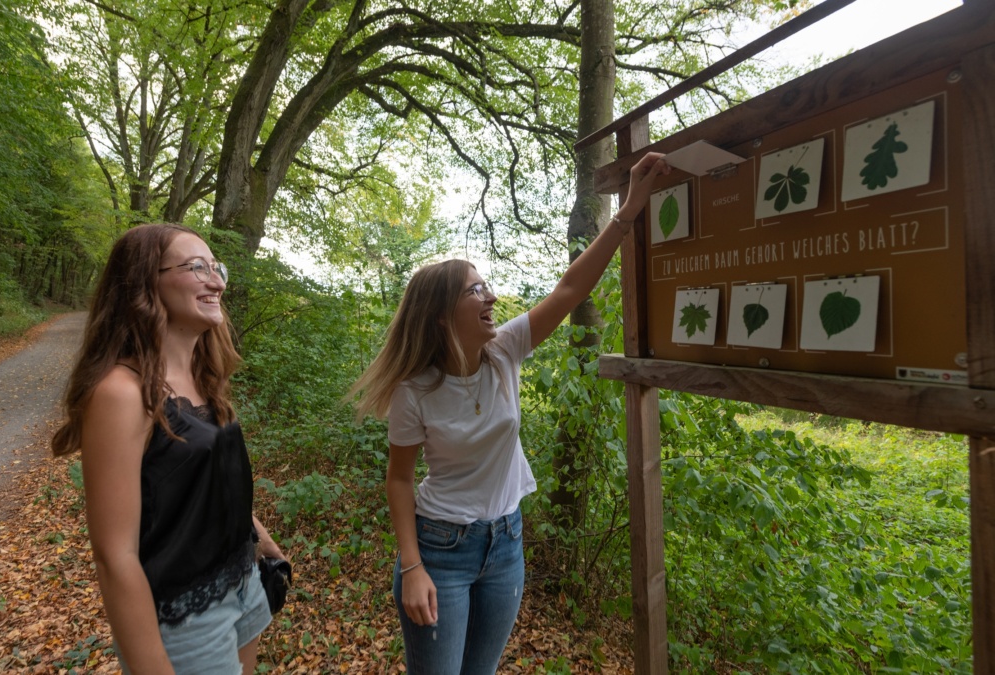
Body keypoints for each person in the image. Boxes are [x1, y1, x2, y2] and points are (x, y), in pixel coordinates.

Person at [348, 152, 670, 674]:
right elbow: (400, 480)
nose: (491, 296)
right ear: (439, 315)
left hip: (506, 544)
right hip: (439, 548)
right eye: (476, 289)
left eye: (486, 285)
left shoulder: (505, 351)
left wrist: (628, 209)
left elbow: (570, 288)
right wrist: (411, 566)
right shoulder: (416, 389)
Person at [51, 223, 287, 675]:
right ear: (143, 283)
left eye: (216, 267)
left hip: (243, 587)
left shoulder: (206, 380)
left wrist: (266, 547)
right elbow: (114, 555)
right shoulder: (121, 393)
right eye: (196, 267)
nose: (216, 280)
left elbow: (210, 486)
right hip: (187, 620)